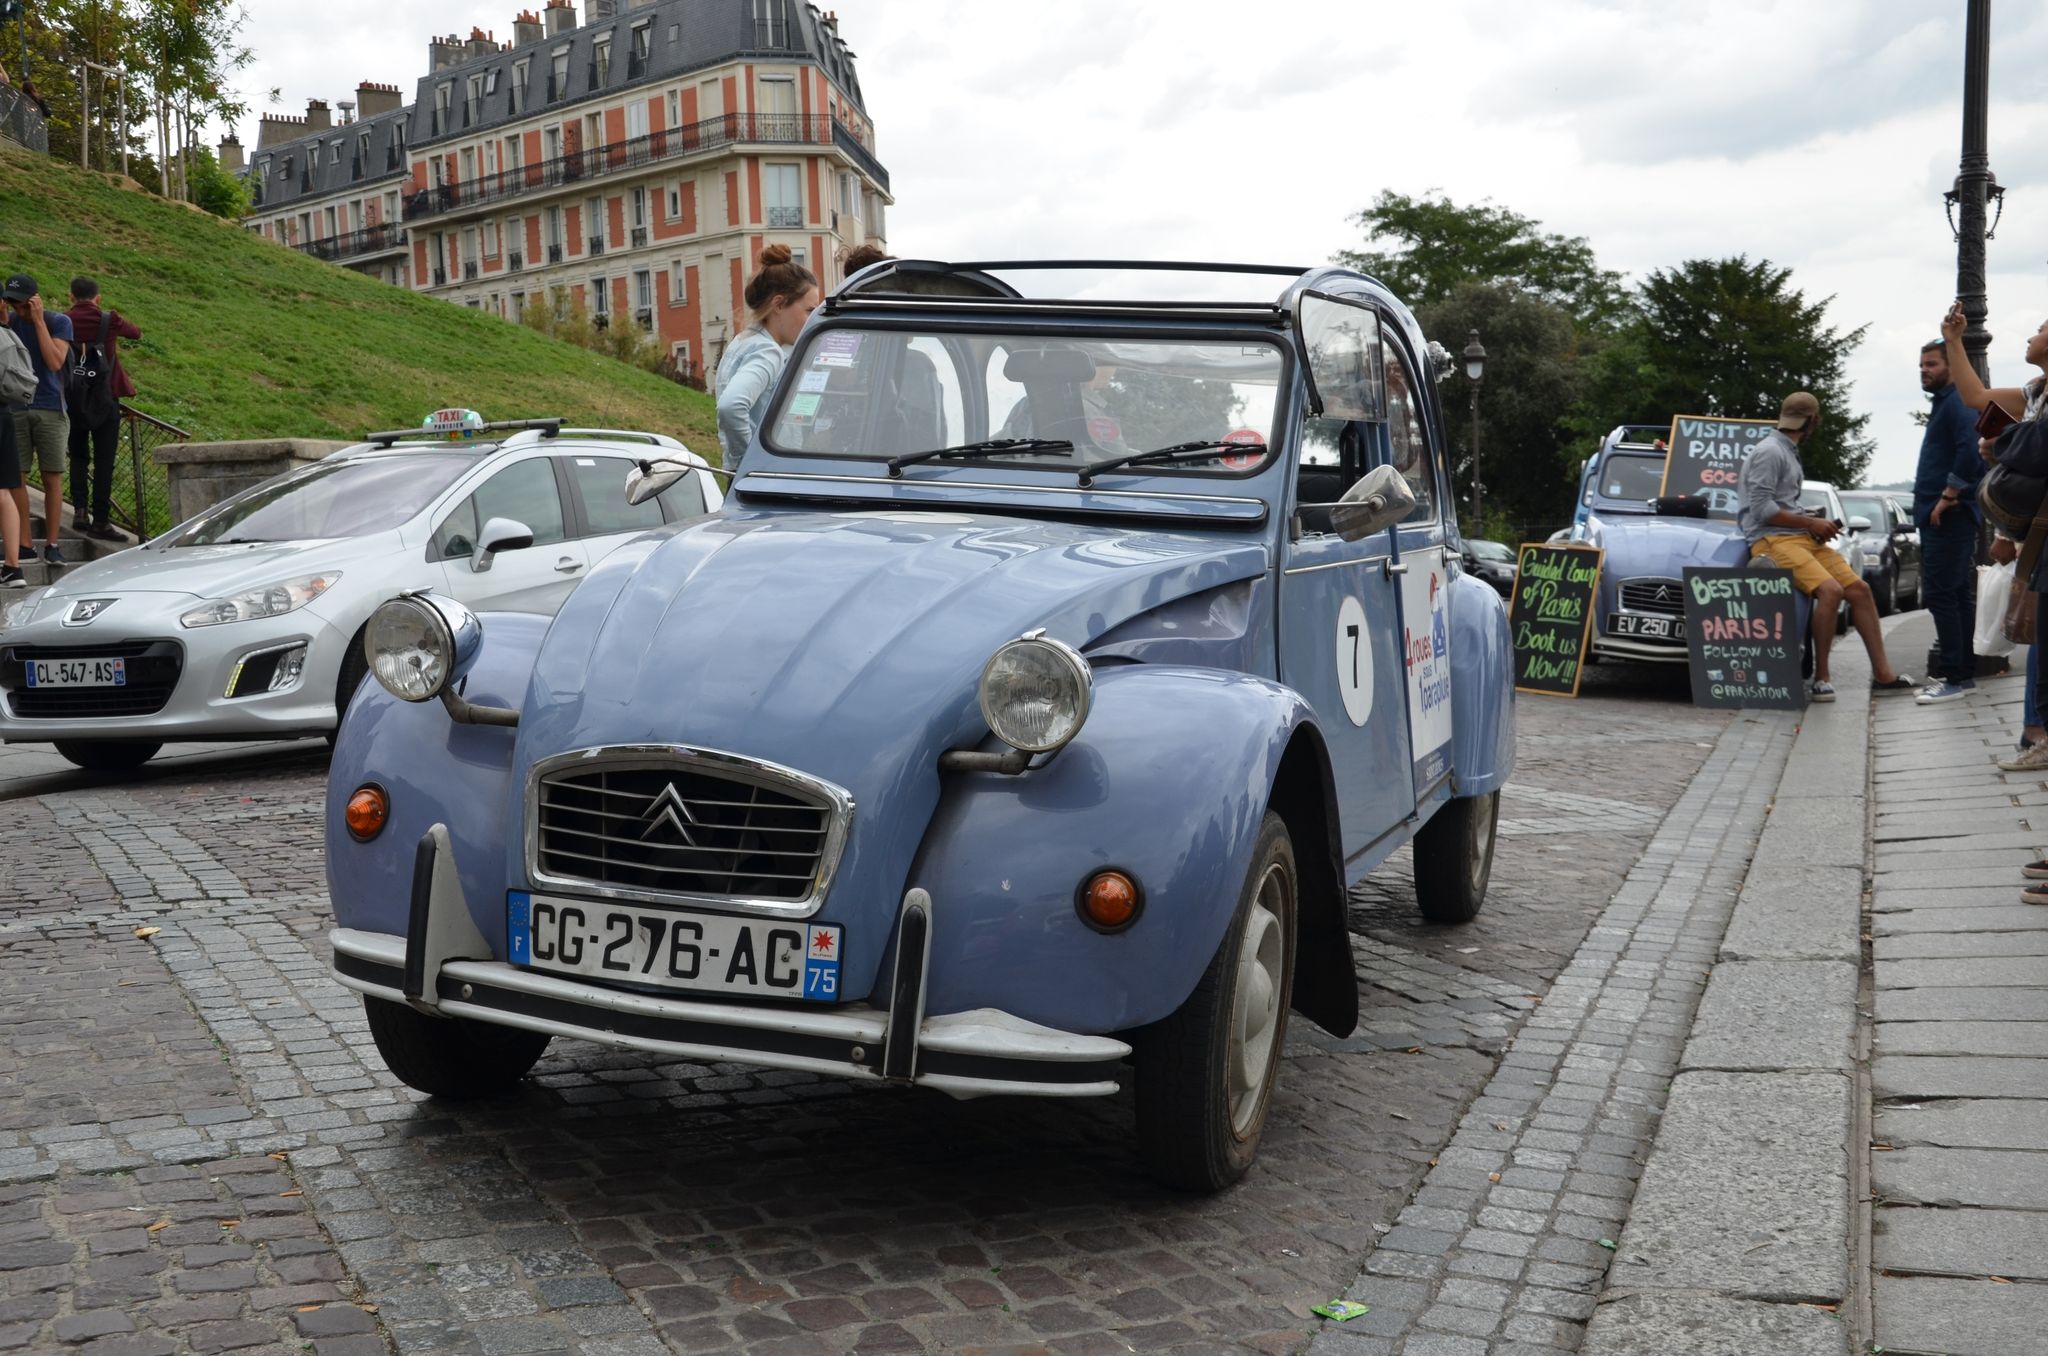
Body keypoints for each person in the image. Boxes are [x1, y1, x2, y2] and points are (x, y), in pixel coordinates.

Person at [1736, 390, 1914, 702]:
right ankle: (1822, 678)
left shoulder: (1786, 449)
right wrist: (1811, 523)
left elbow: (1780, 504)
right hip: (1770, 540)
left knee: (1860, 590)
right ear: (1813, 421)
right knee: (1830, 590)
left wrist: (1813, 521)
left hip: (1795, 538)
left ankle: (1884, 675)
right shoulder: (1770, 452)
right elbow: (1762, 510)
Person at [1914, 336, 1988, 703]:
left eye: (1931, 364)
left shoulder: (1957, 400)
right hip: (1944, 512)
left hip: (1948, 514)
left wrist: (1948, 496)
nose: (1924, 371)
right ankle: (1961, 673)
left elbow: (1970, 449)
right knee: (1957, 593)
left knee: (1942, 594)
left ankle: (1955, 676)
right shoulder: (1945, 402)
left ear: (1950, 366)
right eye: (1922, 365)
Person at [714, 245, 818, 470]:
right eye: (809, 311)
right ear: (779, 304)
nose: (813, 320)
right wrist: (748, 462)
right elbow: (730, 407)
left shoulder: (741, 342)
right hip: (767, 477)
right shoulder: (767, 351)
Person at [62, 277, 141, 542]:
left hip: (73, 397)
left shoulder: (62, 320)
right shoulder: (109, 319)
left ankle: (80, 511)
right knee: (104, 460)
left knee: (78, 456)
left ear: (71, 296)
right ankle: (102, 520)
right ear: (98, 298)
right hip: (105, 397)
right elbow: (135, 333)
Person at [4, 273, 71, 567]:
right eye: (11, 302)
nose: (17, 308)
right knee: (15, 476)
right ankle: (25, 543)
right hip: (16, 407)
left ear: (35, 299)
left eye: (21, 303)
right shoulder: (10, 324)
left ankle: (53, 544)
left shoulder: (59, 321)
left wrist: (39, 321)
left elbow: (55, 361)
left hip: (50, 407)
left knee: (51, 476)